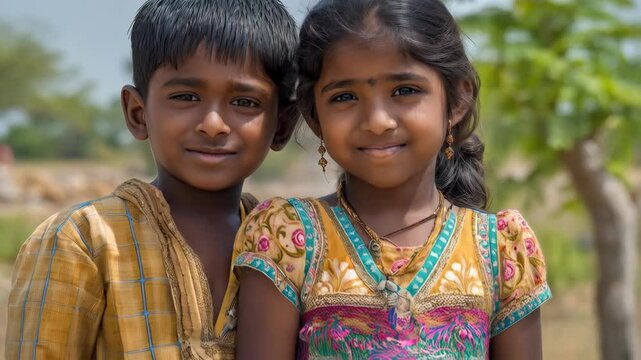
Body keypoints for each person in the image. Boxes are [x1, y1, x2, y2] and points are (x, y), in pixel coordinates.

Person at [230, 0, 551, 358]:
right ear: (315, 115)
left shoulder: (501, 251)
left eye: (404, 91)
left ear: (457, 101)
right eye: (345, 97)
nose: (378, 120)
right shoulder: (288, 239)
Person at [5, 0, 298, 358]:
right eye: (185, 97)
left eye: (245, 102)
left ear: (282, 125)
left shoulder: (288, 245)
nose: (213, 124)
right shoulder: (83, 240)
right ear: (137, 113)